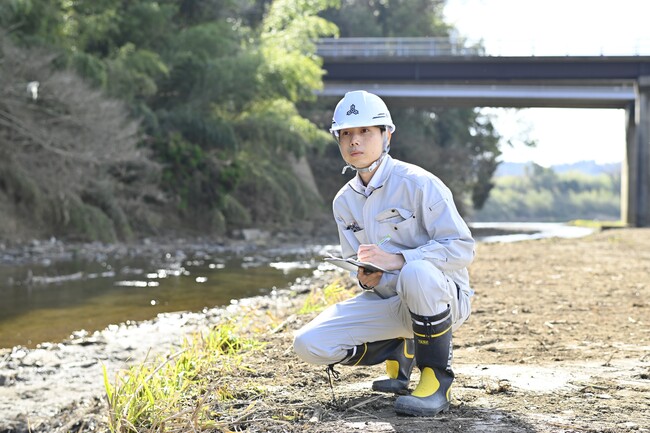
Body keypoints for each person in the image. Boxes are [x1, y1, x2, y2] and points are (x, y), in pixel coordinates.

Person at [292, 90, 475, 416]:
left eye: (365, 131)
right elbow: (357, 264)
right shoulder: (343, 201)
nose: (354, 141)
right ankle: (399, 348)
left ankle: (435, 382)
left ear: (386, 135)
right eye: (346, 133)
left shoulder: (419, 184)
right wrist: (365, 278)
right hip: (388, 303)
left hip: (442, 301)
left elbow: (462, 247)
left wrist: (400, 260)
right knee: (308, 344)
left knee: (416, 272)